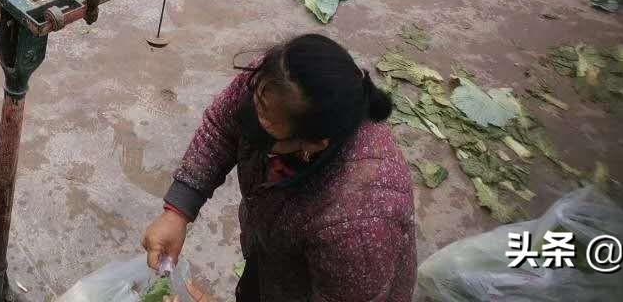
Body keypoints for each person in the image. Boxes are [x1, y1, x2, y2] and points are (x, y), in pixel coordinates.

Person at [142, 34, 417, 302]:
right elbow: (223, 125)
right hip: (273, 252)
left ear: (314, 144)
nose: (252, 118)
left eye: (268, 124)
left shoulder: (357, 223)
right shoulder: (280, 79)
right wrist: (178, 210)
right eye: (258, 104)